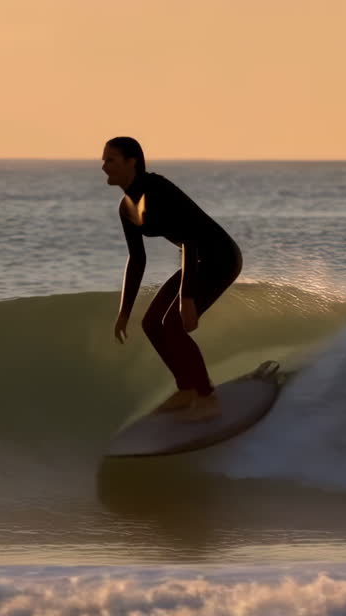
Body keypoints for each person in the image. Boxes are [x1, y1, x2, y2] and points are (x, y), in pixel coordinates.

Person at [103, 136, 242, 422]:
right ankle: (187, 389)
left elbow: (190, 240)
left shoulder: (156, 190)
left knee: (174, 326)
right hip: (199, 261)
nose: (104, 166)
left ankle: (207, 396)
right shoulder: (127, 207)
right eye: (104, 160)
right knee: (152, 323)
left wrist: (187, 298)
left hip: (221, 258)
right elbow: (137, 259)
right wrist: (124, 312)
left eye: (111, 160)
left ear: (132, 162)